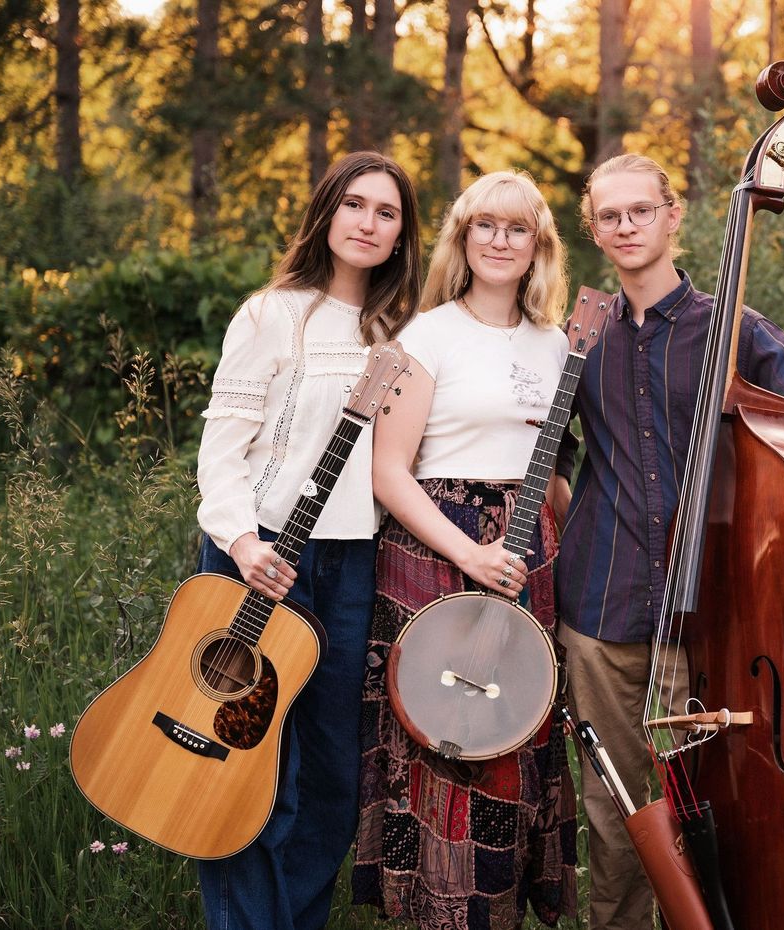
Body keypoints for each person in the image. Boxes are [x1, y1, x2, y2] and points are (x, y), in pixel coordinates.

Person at [552, 153, 784, 930]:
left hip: (713, 624)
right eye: (610, 215)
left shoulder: (732, 328)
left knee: (709, 810)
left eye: (640, 210)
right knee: (614, 810)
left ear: (673, 215)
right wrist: (578, 517)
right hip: (600, 606)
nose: (626, 226)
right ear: (594, 230)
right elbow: (548, 456)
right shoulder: (581, 337)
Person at [194, 151, 422, 930]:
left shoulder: (403, 331)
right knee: (241, 759)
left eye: (386, 212)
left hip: (351, 560)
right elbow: (225, 444)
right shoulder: (271, 313)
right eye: (355, 204)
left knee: (327, 769)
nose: (367, 222)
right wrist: (241, 539)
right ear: (327, 213)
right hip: (257, 558)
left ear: (402, 234)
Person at [352, 170, 578, 930]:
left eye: (517, 229)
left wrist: (569, 549)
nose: (500, 241)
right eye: (485, 225)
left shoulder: (557, 344)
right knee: (442, 735)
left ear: (538, 246)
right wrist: (469, 553)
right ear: (463, 238)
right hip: (436, 549)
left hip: (526, 555)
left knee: (512, 732)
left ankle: (497, 905)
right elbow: (389, 471)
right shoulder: (428, 334)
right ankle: (438, 910)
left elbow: (551, 472)